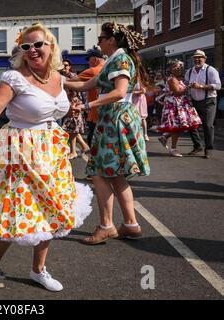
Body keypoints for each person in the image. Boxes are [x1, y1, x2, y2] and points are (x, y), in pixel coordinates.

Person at [0, 22, 93, 297]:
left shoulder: (58, 77)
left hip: (53, 152)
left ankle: (38, 269)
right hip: (19, 153)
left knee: (51, 210)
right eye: (26, 46)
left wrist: (117, 67)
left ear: (51, 46)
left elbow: (87, 83)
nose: (32, 50)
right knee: (12, 212)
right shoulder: (14, 78)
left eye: (38, 44)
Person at [65, 22, 150, 245]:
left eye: (101, 39)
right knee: (114, 174)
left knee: (99, 172)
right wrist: (55, 81)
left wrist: (86, 106)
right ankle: (130, 224)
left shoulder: (120, 60)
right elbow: (86, 84)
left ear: (112, 40)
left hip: (114, 119)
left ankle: (106, 226)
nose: (99, 42)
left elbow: (118, 92)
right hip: (114, 119)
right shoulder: (114, 60)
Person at [157, 60, 202, 157]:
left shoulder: (178, 79)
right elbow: (177, 93)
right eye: (176, 67)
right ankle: (173, 148)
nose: (179, 69)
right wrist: (189, 87)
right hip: (175, 106)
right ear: (171, 69)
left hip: (181, 105)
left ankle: (164, 137)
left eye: (180, 67)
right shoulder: (172, 79)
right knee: (176, 126)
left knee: (182, 125)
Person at [184, 50, 222, 159]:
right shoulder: (189, 71)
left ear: (204, 58)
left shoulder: (211, 70)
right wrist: (187, 88)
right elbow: (186, 84)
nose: (197, 59)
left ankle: (208, 149)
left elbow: (218, 86)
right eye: (195, 58)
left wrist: (201, 86)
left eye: (199, 57)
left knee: (208, 125)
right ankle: (197, 146)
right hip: (194, 101)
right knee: (191, 125)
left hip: (209, 102)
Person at [71, 47, 106, 147]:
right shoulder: (108, 69)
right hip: (108, 111)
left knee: (94, 142)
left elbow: (72, 81)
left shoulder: (93, 71)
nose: (88, 63)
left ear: (95, 59)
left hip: (95, 111)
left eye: (89, 60)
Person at [62, 91, 89, 159]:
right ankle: (84, 146)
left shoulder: (75, 99)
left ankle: (73, 152)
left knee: (73, 134)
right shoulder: (74, 98)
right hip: (73, 118)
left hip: (74, 118)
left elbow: (77, 106)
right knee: (74, 133)